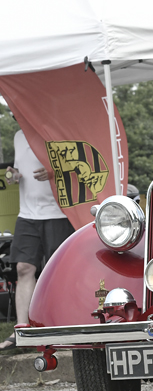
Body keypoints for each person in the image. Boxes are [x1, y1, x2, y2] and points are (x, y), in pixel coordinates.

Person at [0, 130, 74, 350]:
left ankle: (62, 327)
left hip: (58, 214)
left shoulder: (55, 129)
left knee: (57, 274)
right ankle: (21, 331)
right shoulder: (18, 136)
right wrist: (12, 175)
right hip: (27, 215)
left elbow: (80, 168)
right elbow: (17, 172)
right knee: (23, 268)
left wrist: (52, 172)